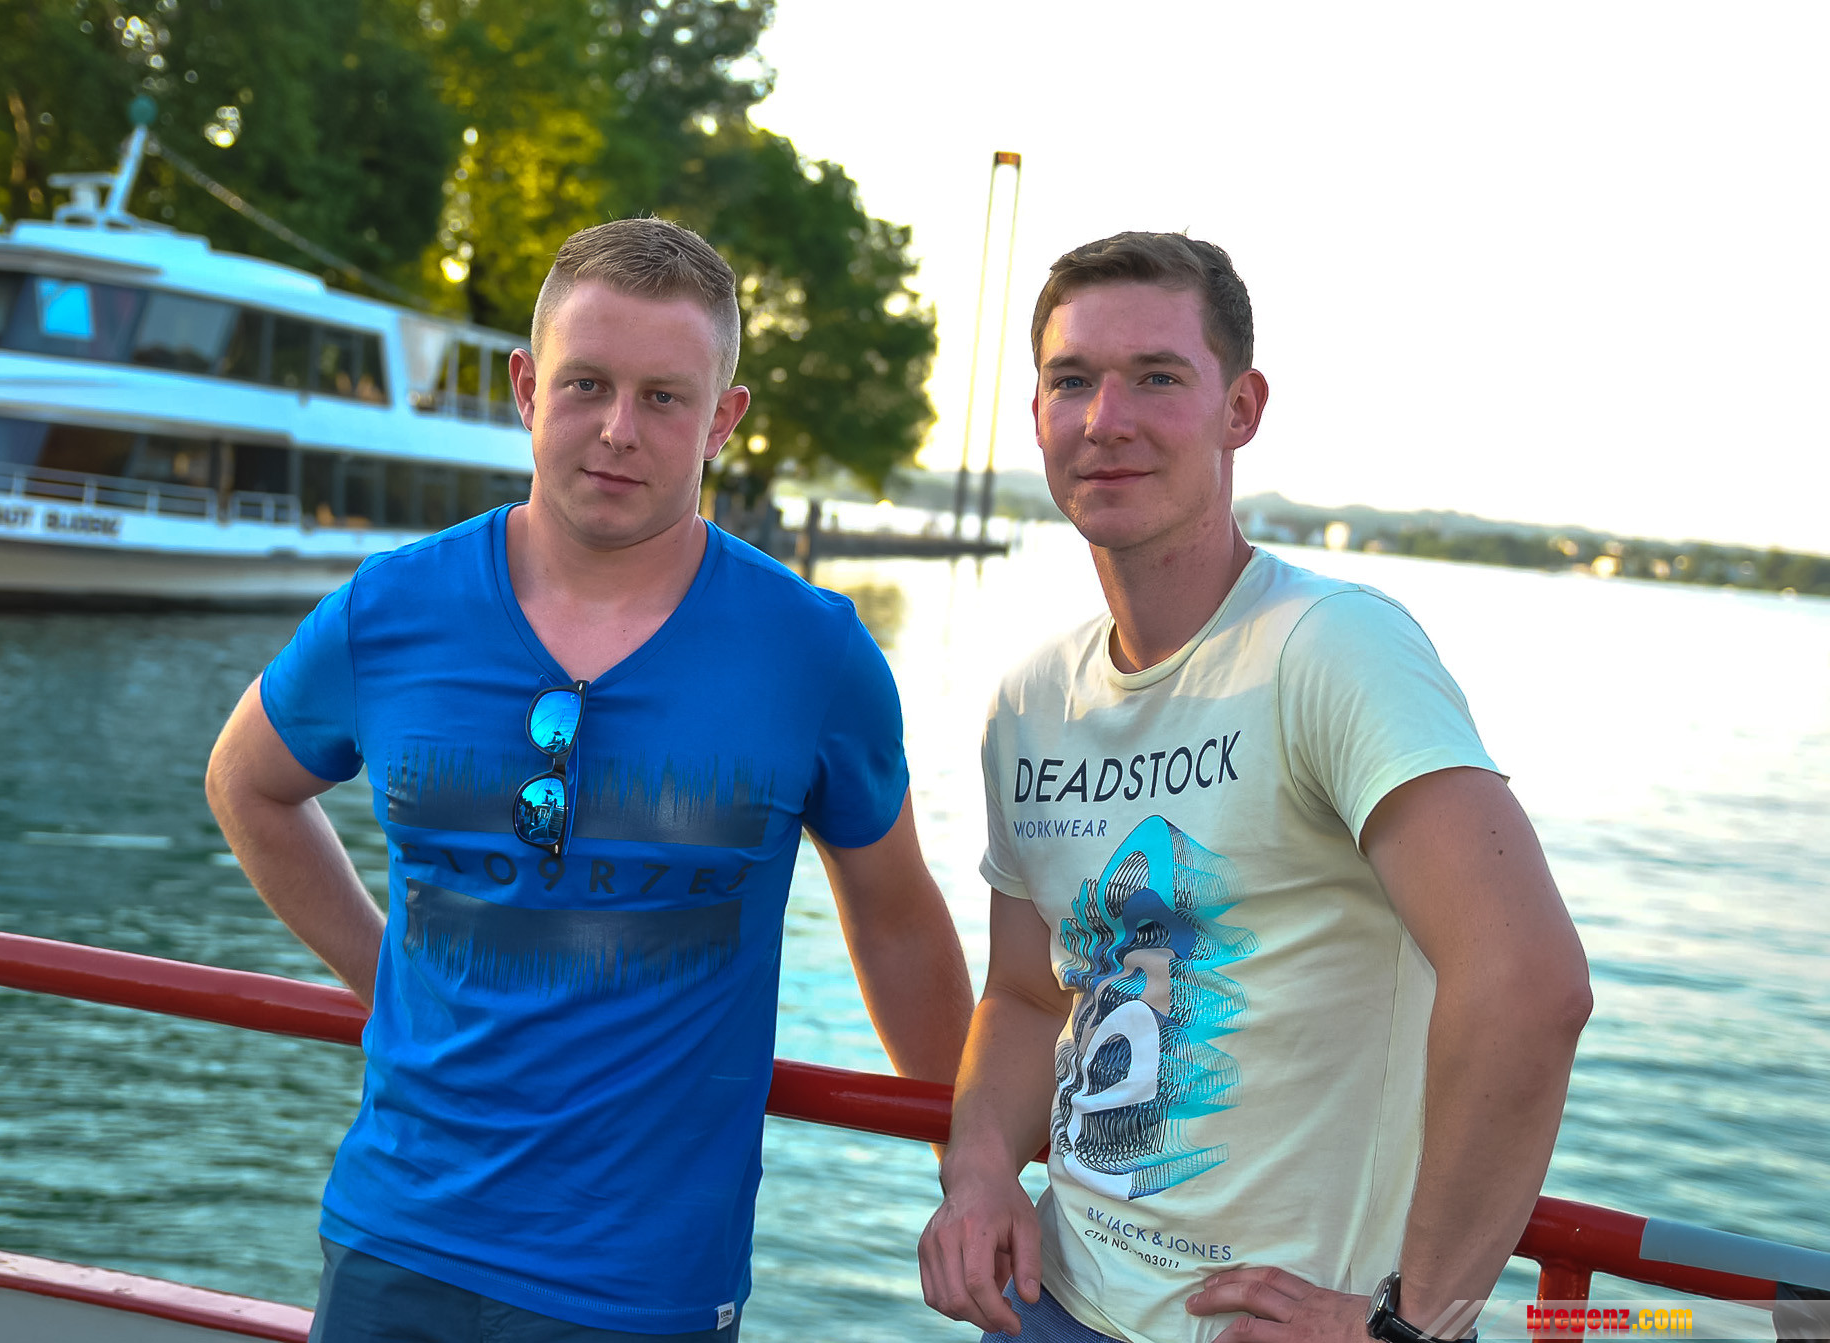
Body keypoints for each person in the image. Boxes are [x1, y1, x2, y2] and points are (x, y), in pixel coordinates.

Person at [206, 217, 974, 1342]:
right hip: (394, 1239)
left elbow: (898, 919)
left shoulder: (812, 654)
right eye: (586, 385)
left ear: (723, 419)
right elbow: (248, 782)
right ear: (527, 388)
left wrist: (971, 1160)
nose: (618, 430)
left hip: (643, 1283)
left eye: (664, 397)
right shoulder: (391, 609)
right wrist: (388, 974)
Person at [918, 232, 1593, 1343]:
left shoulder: (1331, 647)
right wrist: (981, 1168)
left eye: (1156, 377)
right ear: (1035, 412)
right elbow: (1030, 995)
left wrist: (1413, 1325)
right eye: (1071, 380)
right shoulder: (1033, 699)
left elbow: (1526, 980)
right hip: (1050, 1302)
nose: (1105, 419)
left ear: (1240, 408)